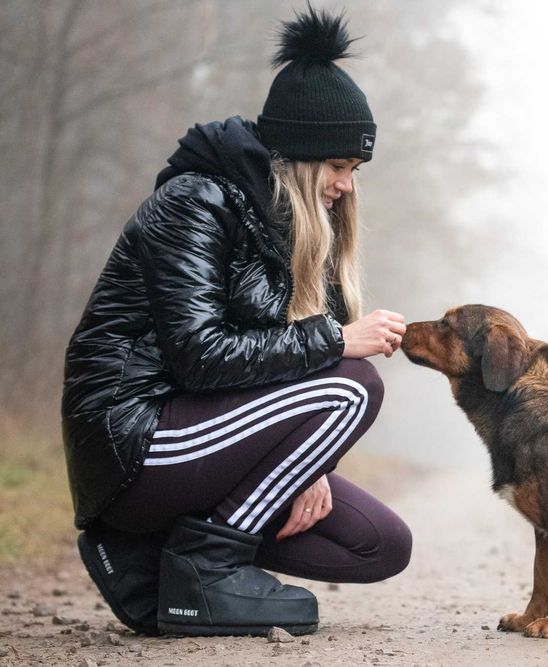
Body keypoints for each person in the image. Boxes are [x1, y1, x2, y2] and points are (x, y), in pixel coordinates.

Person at [61, 6, 411, 637]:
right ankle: (202, 570)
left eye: (354, 173)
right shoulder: (195, 202)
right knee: (357, 381)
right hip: (135, 438)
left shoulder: (302, 229)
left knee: (381, 544)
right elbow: (199, 356)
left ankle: (154, 564)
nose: (347, 187)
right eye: (338, 168)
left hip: (210, 437)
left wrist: (310, 463)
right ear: (300, 156)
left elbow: (283, 379)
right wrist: (335, 338)